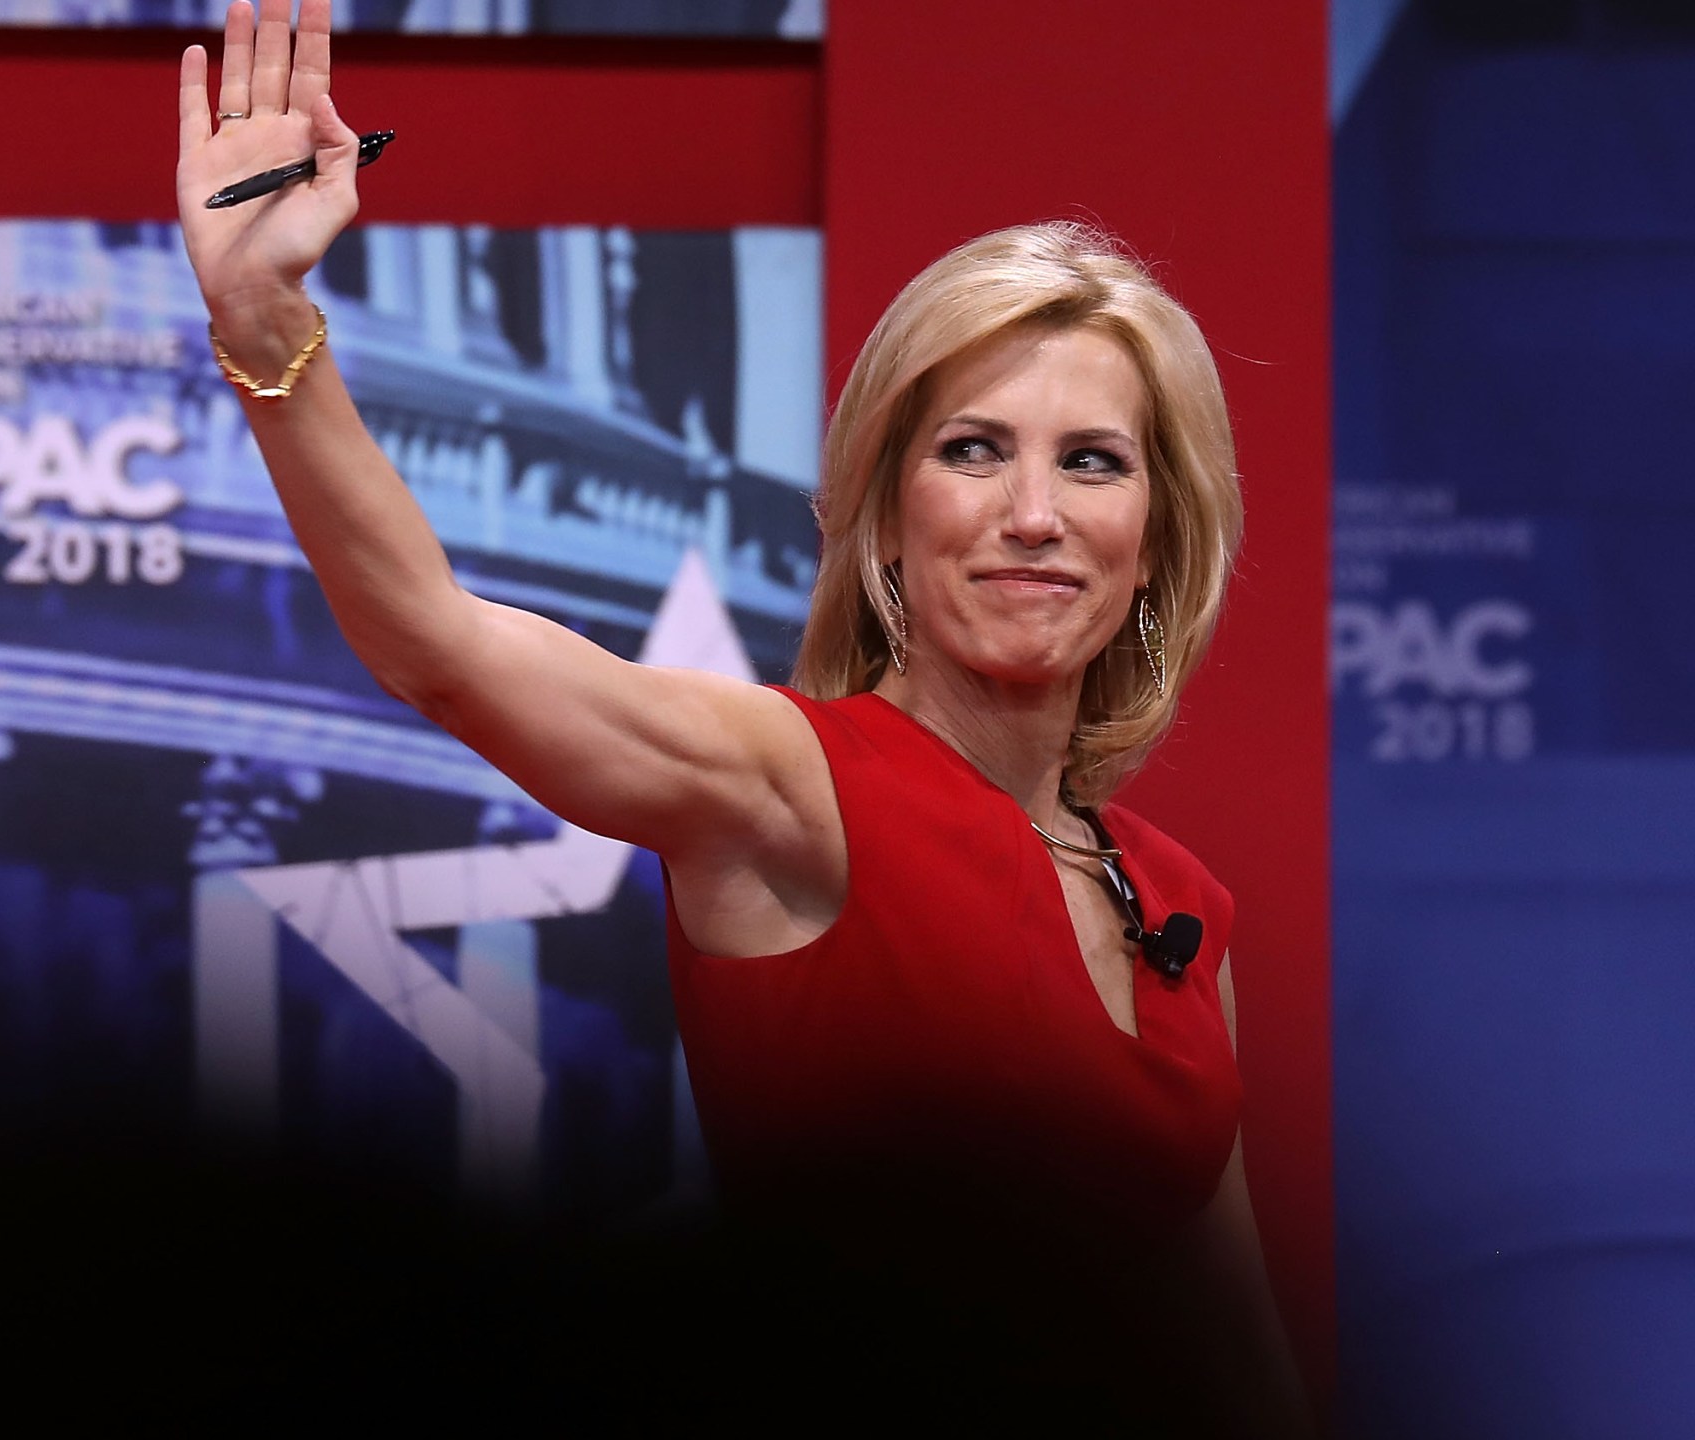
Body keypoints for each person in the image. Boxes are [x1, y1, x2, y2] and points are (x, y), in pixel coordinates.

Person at [177, 2, 1314, 1429]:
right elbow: (440, 648)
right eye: (974, 452)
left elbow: (1244, 1368)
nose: (1034, 515)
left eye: (1092, 463)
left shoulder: (1182, 913)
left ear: (1154, 537)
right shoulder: (792, 785)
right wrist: (266, 320)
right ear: (887, 518)